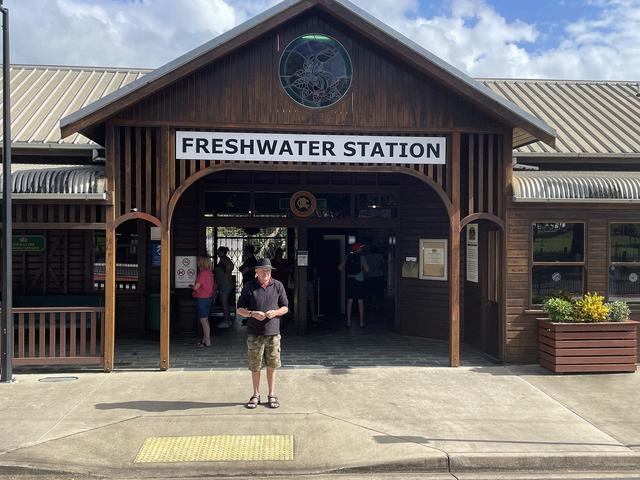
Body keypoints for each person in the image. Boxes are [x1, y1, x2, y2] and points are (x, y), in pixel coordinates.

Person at [236, 258, 289, 409]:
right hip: (254, 333)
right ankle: (256, 394)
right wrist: (252, 313)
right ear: (256, 271)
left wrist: (276, 312)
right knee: (255, 365)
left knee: (272, 365)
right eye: (263, 270)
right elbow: (239, 309)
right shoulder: (249, 286)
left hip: (273, 332)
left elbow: (285, 307)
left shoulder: (278, 285)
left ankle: (271, 394)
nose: (266, 273)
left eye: (268, 270)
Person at [338, 242, 369, 328]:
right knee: (360, 301)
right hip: (359, 281)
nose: (361, 249)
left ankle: (348, 322)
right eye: (360, 247)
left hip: (350, 281)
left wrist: (348, 271)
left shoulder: (348, 256)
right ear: (358, 249)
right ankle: (361, 322)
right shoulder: (362, 257)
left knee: (349, 301)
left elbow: (339, 267)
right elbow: (367, 269)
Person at [192, 256, 215, 347]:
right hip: (208, 298)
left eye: (198, 261)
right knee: (206, 320)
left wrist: (191, 286)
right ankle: (204, 340)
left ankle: (207, 341)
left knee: (203, 320)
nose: (197, 262)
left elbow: (196, 287)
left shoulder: (202, 273)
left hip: (202, 298)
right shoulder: (210, 273)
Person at [215, 246, 235, 329]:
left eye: (218, 251)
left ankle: (226, 321)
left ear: (221, 252)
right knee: (225, 302)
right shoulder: (226, 259)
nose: (217, 253)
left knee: (224, 303)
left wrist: (226, 275)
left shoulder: (224, 260)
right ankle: (228, 320)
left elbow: (229, 269)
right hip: (226, 283)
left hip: (225, 284)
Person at [239, 245, 258, 326]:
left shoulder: (251, 260)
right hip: (248, 281)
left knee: (250, 299)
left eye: (245, 250)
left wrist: (242, 269)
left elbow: (243, 270)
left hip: (249, 281)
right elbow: (241, 269)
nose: (244, 252)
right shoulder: (250, 260)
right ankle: (250, 317)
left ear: (248, 251)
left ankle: (251, 318)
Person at [364, 245, 385, 313]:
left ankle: (369, 305)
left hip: (368, 276)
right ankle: (377, 305)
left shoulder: (366, 256)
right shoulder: (380, 256)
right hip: (378, 275)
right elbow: (382, 265)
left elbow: (364, 267)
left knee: (369, 291)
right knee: (378, 291)